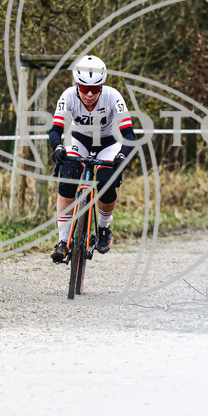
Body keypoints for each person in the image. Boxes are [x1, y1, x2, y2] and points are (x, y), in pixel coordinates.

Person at [48, 55, 135, 262]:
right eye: (84, 88)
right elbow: (55, 130)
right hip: (79, 140)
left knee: (106, 182)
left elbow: (129, 135)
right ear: (76, 85)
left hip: (108, 143)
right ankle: (62, 241)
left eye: (95, 89)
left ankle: (104, 229)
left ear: (101, 87)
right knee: (68, 178)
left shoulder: (113, 96)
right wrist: (58, 147)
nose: (89, 94)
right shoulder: (68, 96)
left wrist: (122, 156)